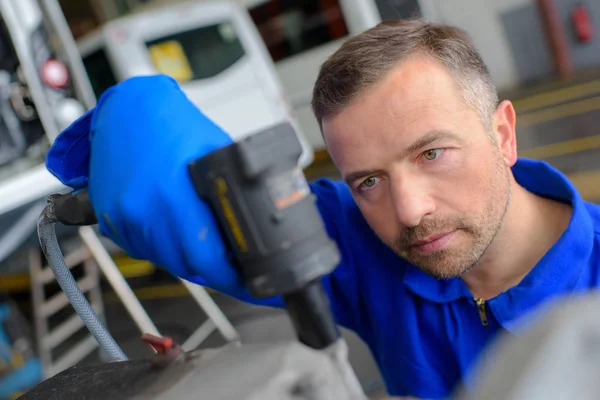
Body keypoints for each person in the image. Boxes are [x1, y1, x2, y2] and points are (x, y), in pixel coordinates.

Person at [45, 19, 600, 399]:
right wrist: (128, 125)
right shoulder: (354, 242)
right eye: (368, 180)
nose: (407, 211)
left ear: (502, 133)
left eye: (431, 153)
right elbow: (176, 173)